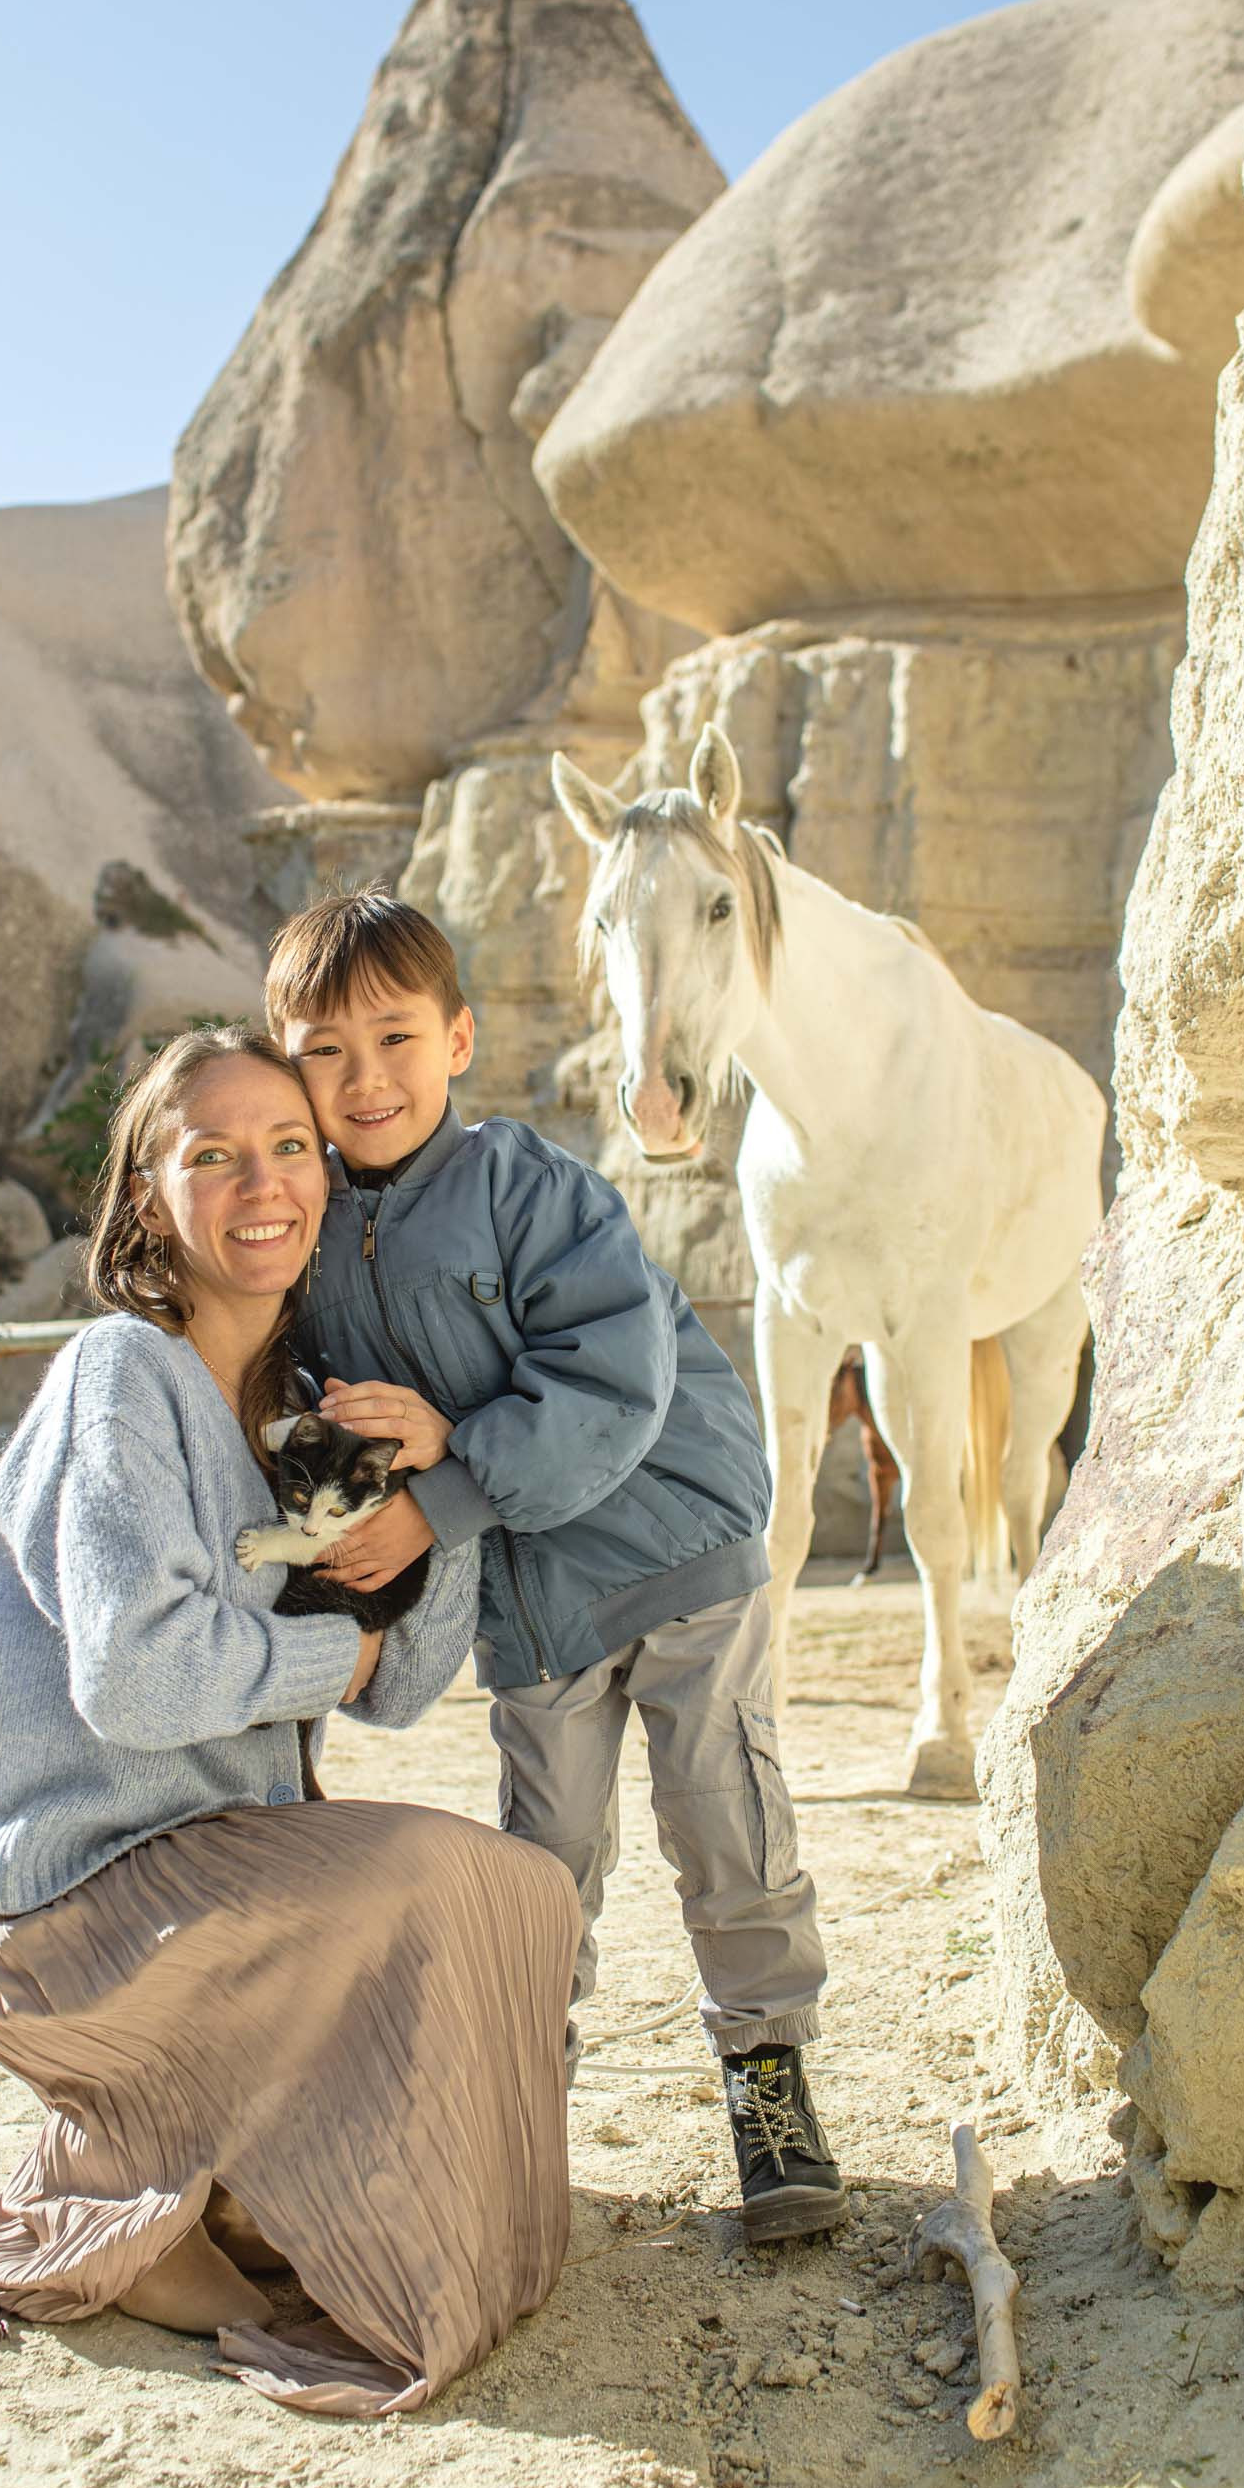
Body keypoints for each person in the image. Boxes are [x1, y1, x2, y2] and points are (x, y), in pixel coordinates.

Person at [0, 1026, 581, 2416]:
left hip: (221, 1890)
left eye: (287, 1148)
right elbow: (139, 1681)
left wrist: (437, 1499)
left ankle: (202, 2189)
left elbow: (401, 1684)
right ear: (152, 1197)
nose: (260, 1182)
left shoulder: (300, 1411)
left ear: (324, 1179)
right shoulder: (121, 1375)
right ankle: (119, 2204)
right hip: (65, 1915)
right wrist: (327, 1658)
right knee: (430, 1877)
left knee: (522, 1889)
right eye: (211, 1156)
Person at [264, 894, 845, 2244]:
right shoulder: (305, 1241)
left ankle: (770, 2083)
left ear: (458, 1039)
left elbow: (612, 1377)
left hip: (677, 1549)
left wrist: (446, 1480)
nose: (366, 1080)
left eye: (396, 1038)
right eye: (326, 1052)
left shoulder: (530, 1188)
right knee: (546, 1860)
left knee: (725, 1816)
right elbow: (319, 1410)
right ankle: (523, 2110)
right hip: (531, 1606)